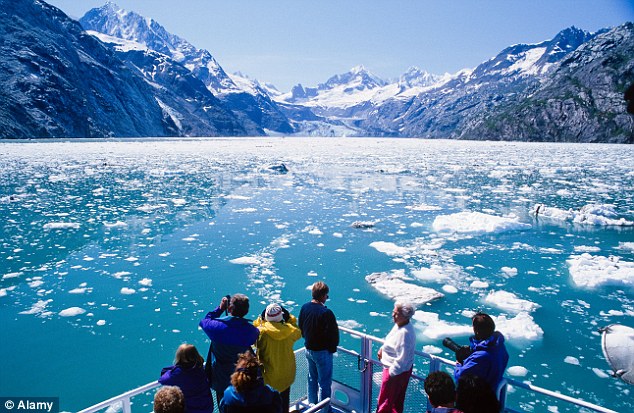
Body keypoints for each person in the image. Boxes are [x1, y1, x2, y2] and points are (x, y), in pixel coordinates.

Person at [200, 294, 260, 406]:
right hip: (243, 376)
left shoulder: (216, 328)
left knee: (224, 405)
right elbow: (254, 335)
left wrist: (220, 309)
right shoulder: (251, 331)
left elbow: (204, 321)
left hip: (220, 379)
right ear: (246, 311)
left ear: (230, 309)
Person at [298, 281, 339, 411]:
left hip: (308, 349)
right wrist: (331, 349)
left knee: (312, 378)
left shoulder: (305, 307)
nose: (327, 298)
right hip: (322, 352)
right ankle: (324, 410)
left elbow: (301, 326)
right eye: (327, 296)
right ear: (322, 296)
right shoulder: (326, 313)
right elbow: (333, 334)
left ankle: (312, 405)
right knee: (324, 383)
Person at [254, 303, 302, 413]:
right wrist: (290, 318)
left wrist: (259, 320)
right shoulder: (290, 331)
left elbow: (253, 333)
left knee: (268, 406)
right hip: (286, 375)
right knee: (284, 403)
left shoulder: (262, 332)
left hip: (269, 377)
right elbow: (298, 332)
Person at [376, 302, 416, 413]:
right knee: (396, 402)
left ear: (404, 316)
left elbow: (402, 360)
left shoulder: (405, 334)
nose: (393, 315)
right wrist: (383, 349)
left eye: (396, 313)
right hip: (397, 371)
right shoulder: (401, 324)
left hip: (395, 372)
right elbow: (391, 339)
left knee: (385, 401)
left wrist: (391, 374)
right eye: (393, 312)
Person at [454, 312, 509, 393]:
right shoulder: (499, 346)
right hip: (491, 394)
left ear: (476, 331)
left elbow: (460, 377)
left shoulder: (481, 356)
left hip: (478, 399)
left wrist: (458, 364)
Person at [158, 344, 214, 413]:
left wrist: (174, 369)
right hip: (207, 408)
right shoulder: (200, 368)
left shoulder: (177, 374)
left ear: (179, 356)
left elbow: (162, 380)